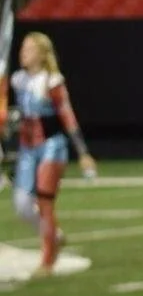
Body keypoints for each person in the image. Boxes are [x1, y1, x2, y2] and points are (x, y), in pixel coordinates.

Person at [3, 32, 96, 278]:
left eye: (29, 49)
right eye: (23, 48)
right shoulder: (17, 80)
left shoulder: (52, 81)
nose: (23, 53)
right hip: (27, 149)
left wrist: (83, 152)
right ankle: (54, 235)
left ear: (42, 55)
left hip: (51, 147)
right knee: (22, 205)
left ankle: (48, 259)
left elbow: (67, 116)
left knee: (45, 202)